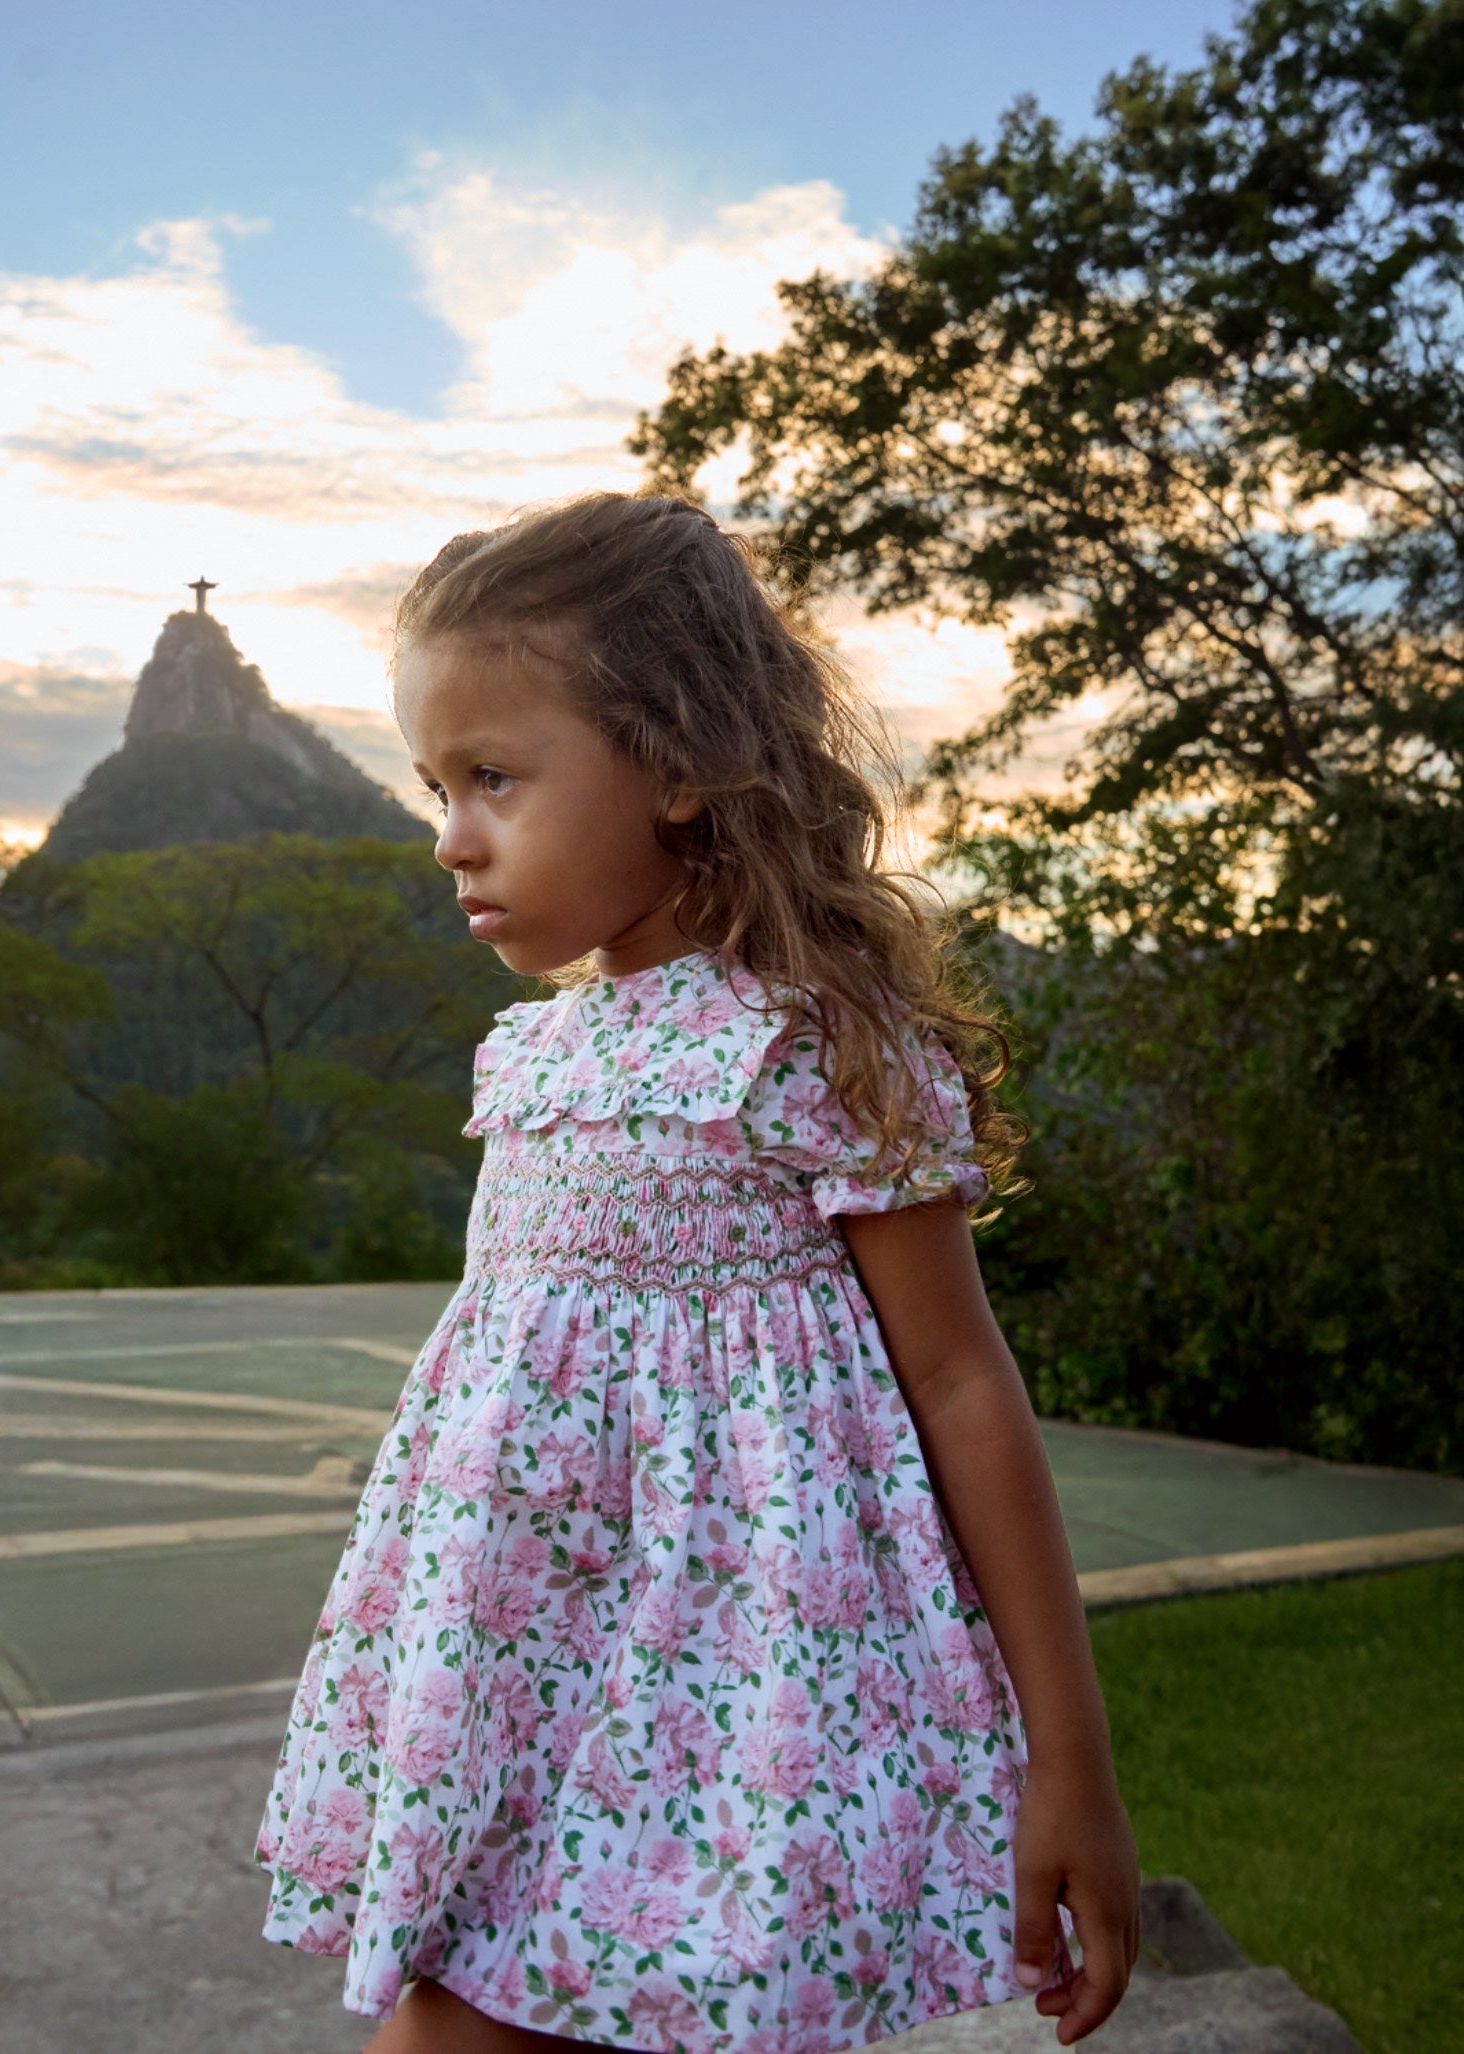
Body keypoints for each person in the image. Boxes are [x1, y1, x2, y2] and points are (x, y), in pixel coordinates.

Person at [256, 491, 1140, 2054]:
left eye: (495, 777)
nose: (452, 832)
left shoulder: (813, 1046)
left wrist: (1068, 1758)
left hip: (730, 1716)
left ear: (674, 768)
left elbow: (957, 1378)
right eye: (434, 786)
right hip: (520, 1682)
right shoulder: (530, 1060)